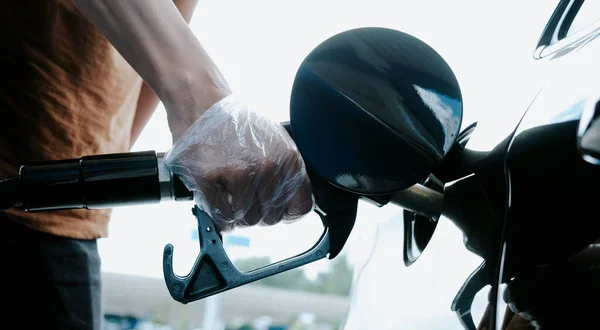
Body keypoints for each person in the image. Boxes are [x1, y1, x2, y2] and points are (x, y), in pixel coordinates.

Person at [0, 0, 313, 329]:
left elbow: (170, 23)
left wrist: (111, 167)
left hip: (61, 205)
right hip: (23, 192)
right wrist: (203, 101)